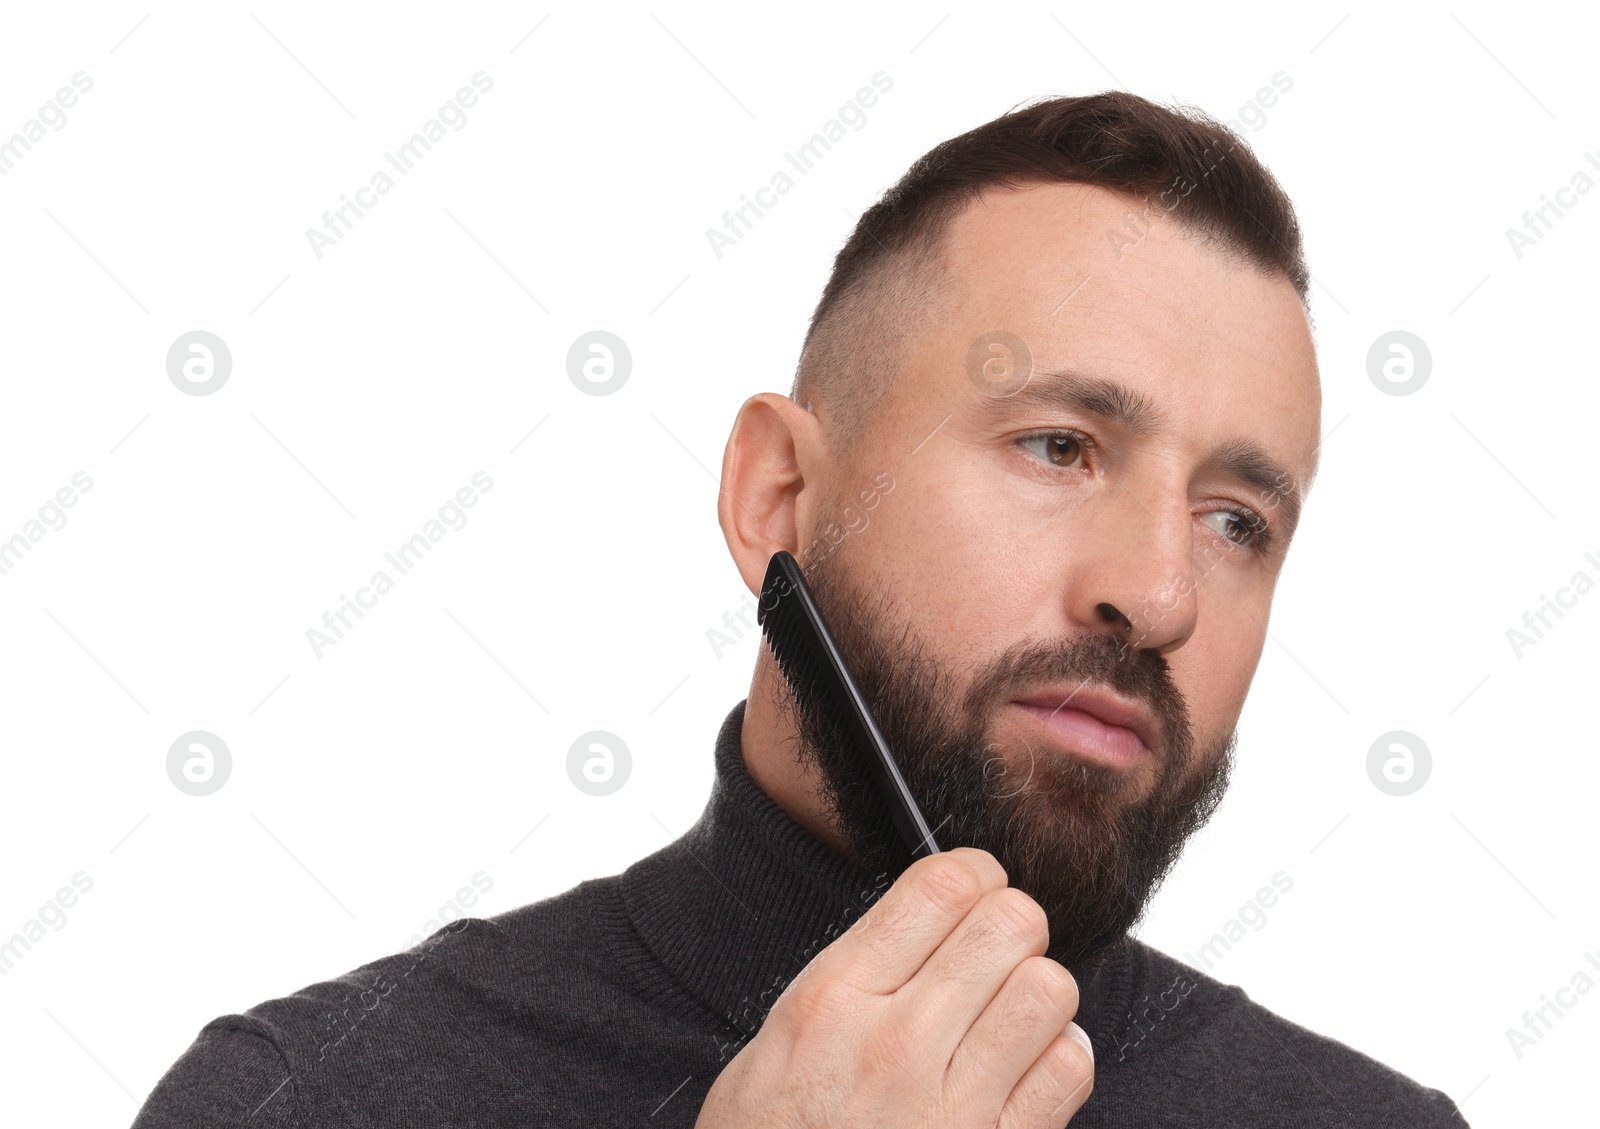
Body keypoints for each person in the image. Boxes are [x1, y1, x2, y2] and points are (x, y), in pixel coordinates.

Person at [130, 91, 1468, 1127]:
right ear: (779, 494)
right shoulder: (307, 1100)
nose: (1160, 590)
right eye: (1060, 446)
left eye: (1239, 519)